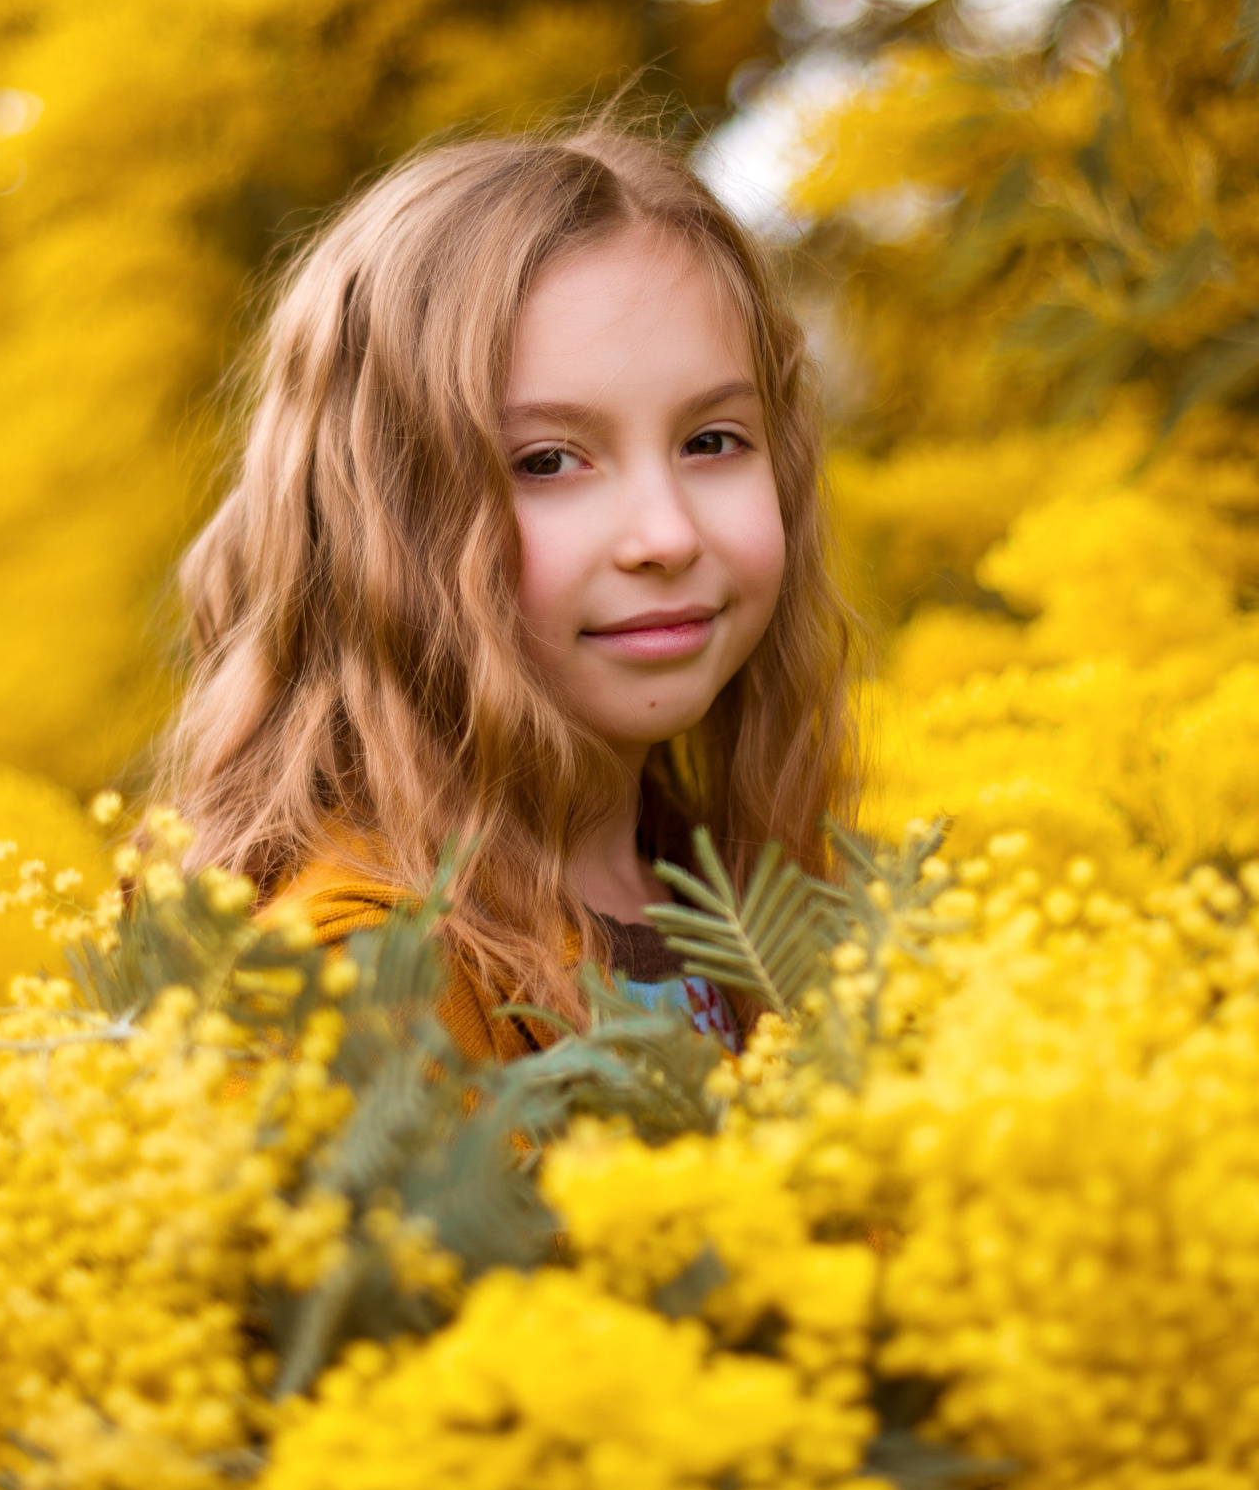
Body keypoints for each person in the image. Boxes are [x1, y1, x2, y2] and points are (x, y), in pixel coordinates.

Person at [155, 123, 856, 1060]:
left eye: (712, 441)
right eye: (549, 460)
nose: (667, 535)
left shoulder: (751, 892)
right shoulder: (355, 993)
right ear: (381, 525)